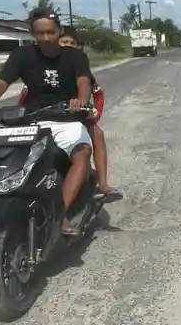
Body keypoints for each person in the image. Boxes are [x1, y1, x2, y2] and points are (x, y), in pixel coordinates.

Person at [0, 8, 94, 237]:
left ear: (60, 31)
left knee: (82, 152)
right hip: (32, 119)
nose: (47, 38)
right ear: (33, 34)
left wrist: (80, 101)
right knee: (7, 157)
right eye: (40, 33)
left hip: (66, 119)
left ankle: (60, 214)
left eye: (51, 32)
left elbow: (84, 81)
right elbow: (1, 83)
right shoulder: (22, 56)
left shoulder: (75, 56)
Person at [18, 29, 118, 199]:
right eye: (64, 43)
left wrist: (92, 113)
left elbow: (97, 94)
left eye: (73, 44)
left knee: (97, 135)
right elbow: (25, 96)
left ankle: (102, 183)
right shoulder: (43, 71)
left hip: (74, 115)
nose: (68, 46)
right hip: (43, 116)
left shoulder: (81, 71)